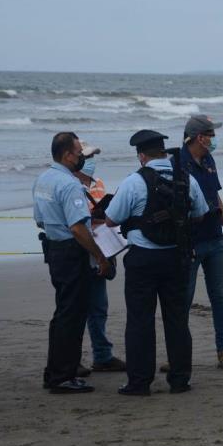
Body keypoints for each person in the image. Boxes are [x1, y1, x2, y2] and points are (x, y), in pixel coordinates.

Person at [105, 130, 209, 396]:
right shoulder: (186, 178)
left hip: (143, 258)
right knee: (177, 319)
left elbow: (111, 219)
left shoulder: (134, 181)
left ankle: (139, 382)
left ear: (141, 156)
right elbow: (200, 213)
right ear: (164, 152)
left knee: (140, 320)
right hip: (177, 257)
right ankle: (180, 380)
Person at [33, 132, 111, 394]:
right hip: (71, 251)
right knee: (73, 315)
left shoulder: (43, 179)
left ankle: (54, 371)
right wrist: (99, 255)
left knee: (62, 312)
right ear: (67, 155)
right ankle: (64, 376)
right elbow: (78, 228)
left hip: (54, 249)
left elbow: (39, 219)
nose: (81, 157)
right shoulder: (70, 185)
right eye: (79, 153)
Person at [160, 115, 223, 373]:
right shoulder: (176, 163)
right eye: (210, 134)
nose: (213, 139)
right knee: (183, 299)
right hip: (190, 242)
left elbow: (215, 195)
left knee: (218, 297)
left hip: (214, 237)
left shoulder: (208, 160)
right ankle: (176, 354)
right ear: (197, 137)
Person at [71, 142, 126, 375]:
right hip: (78, 250)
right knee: (75, 309)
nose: (92, 160)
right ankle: (72, 359)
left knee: (99, 306)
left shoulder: (98, 183)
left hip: (102, 247)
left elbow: (105, 217)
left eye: (94, 156)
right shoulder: (70, 184)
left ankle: (102, 355)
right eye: (89, 156)